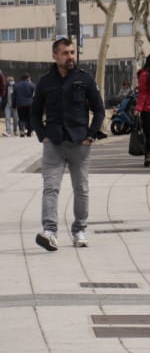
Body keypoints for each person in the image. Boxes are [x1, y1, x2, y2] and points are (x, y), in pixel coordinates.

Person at [30, 37, 104, 250]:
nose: (70, 56)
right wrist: (42, 135)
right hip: (53, 143)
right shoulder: (45, 81)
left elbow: (98, 110)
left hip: (80, 143)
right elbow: (34, 113)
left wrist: (91, 135)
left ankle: (80, 229)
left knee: (81, 189)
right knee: (50, 188)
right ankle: (50, 231)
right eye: (65, 53)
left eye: (72, 52)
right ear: (55, 56)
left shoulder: (85, 79)